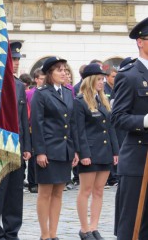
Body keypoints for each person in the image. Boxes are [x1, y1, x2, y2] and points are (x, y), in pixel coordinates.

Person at [31, 57, 79, 240]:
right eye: (59, 70)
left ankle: (53, 233)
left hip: (65, 149)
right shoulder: (41, 94)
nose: (64, 73)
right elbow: (37, 124)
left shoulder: (68, 93)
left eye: (65, 69)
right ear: (50, 74)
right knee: (45, 193)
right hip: (49, 150)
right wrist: (40, 151)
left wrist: (74, 149)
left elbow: (72, 123)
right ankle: (44, 234)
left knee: (59, 192)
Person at [0, 41, 32, 240]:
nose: (15, 63)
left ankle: (12, 232)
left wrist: (26, 146)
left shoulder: (18, 85)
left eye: (17, 59)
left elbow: (23, 119)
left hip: (16, 146)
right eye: (11, 59)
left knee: (15, 193)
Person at [111, 17, 148, 240]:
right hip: (138, 157)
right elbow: (118, 117)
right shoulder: (130, 75)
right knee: (132, 221)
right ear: (140, 42)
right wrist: (144, 121)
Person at [74, 63, 119, 240]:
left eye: (103, 79)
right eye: (99, 79)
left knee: (99, 190)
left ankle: (94, 227)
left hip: (105, 151)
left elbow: (110, 127)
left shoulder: (102, 100)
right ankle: (84, 229)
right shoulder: (80, 102)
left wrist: (115, 151)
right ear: (90, 80)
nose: (102, 82)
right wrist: (84, 154)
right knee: (85, 190)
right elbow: (79, 130)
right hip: (90, 152)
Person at [26, 68, 46, 194]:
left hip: (44, 127)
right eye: (41, 79)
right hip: (31, 127)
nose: (43, 81)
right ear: (36, 80)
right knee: (33, 156)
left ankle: (41, 180)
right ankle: (32, 182)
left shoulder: (46, 92)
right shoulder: (29, 93)